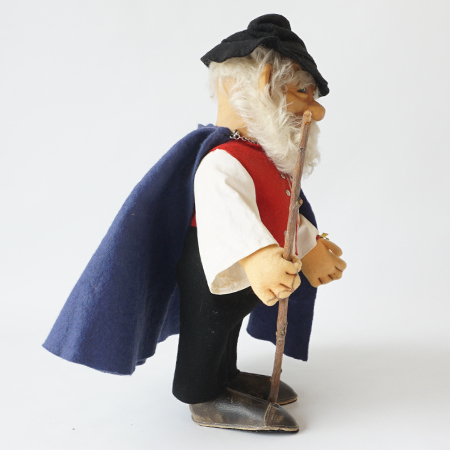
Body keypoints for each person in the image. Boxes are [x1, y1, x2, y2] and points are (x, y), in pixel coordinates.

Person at [43, 14, 346, 433]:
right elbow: (227, 214)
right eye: (302, 93)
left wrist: (310, 249)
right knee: (209, 327)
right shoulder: (224, 160)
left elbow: (286, 210)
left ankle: (227, 377)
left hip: (248, 277)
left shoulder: (266, 159)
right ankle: (202, 395)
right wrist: (259, 257)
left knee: (228, 329)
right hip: (214, 270)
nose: (317, 110)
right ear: (263, 84)